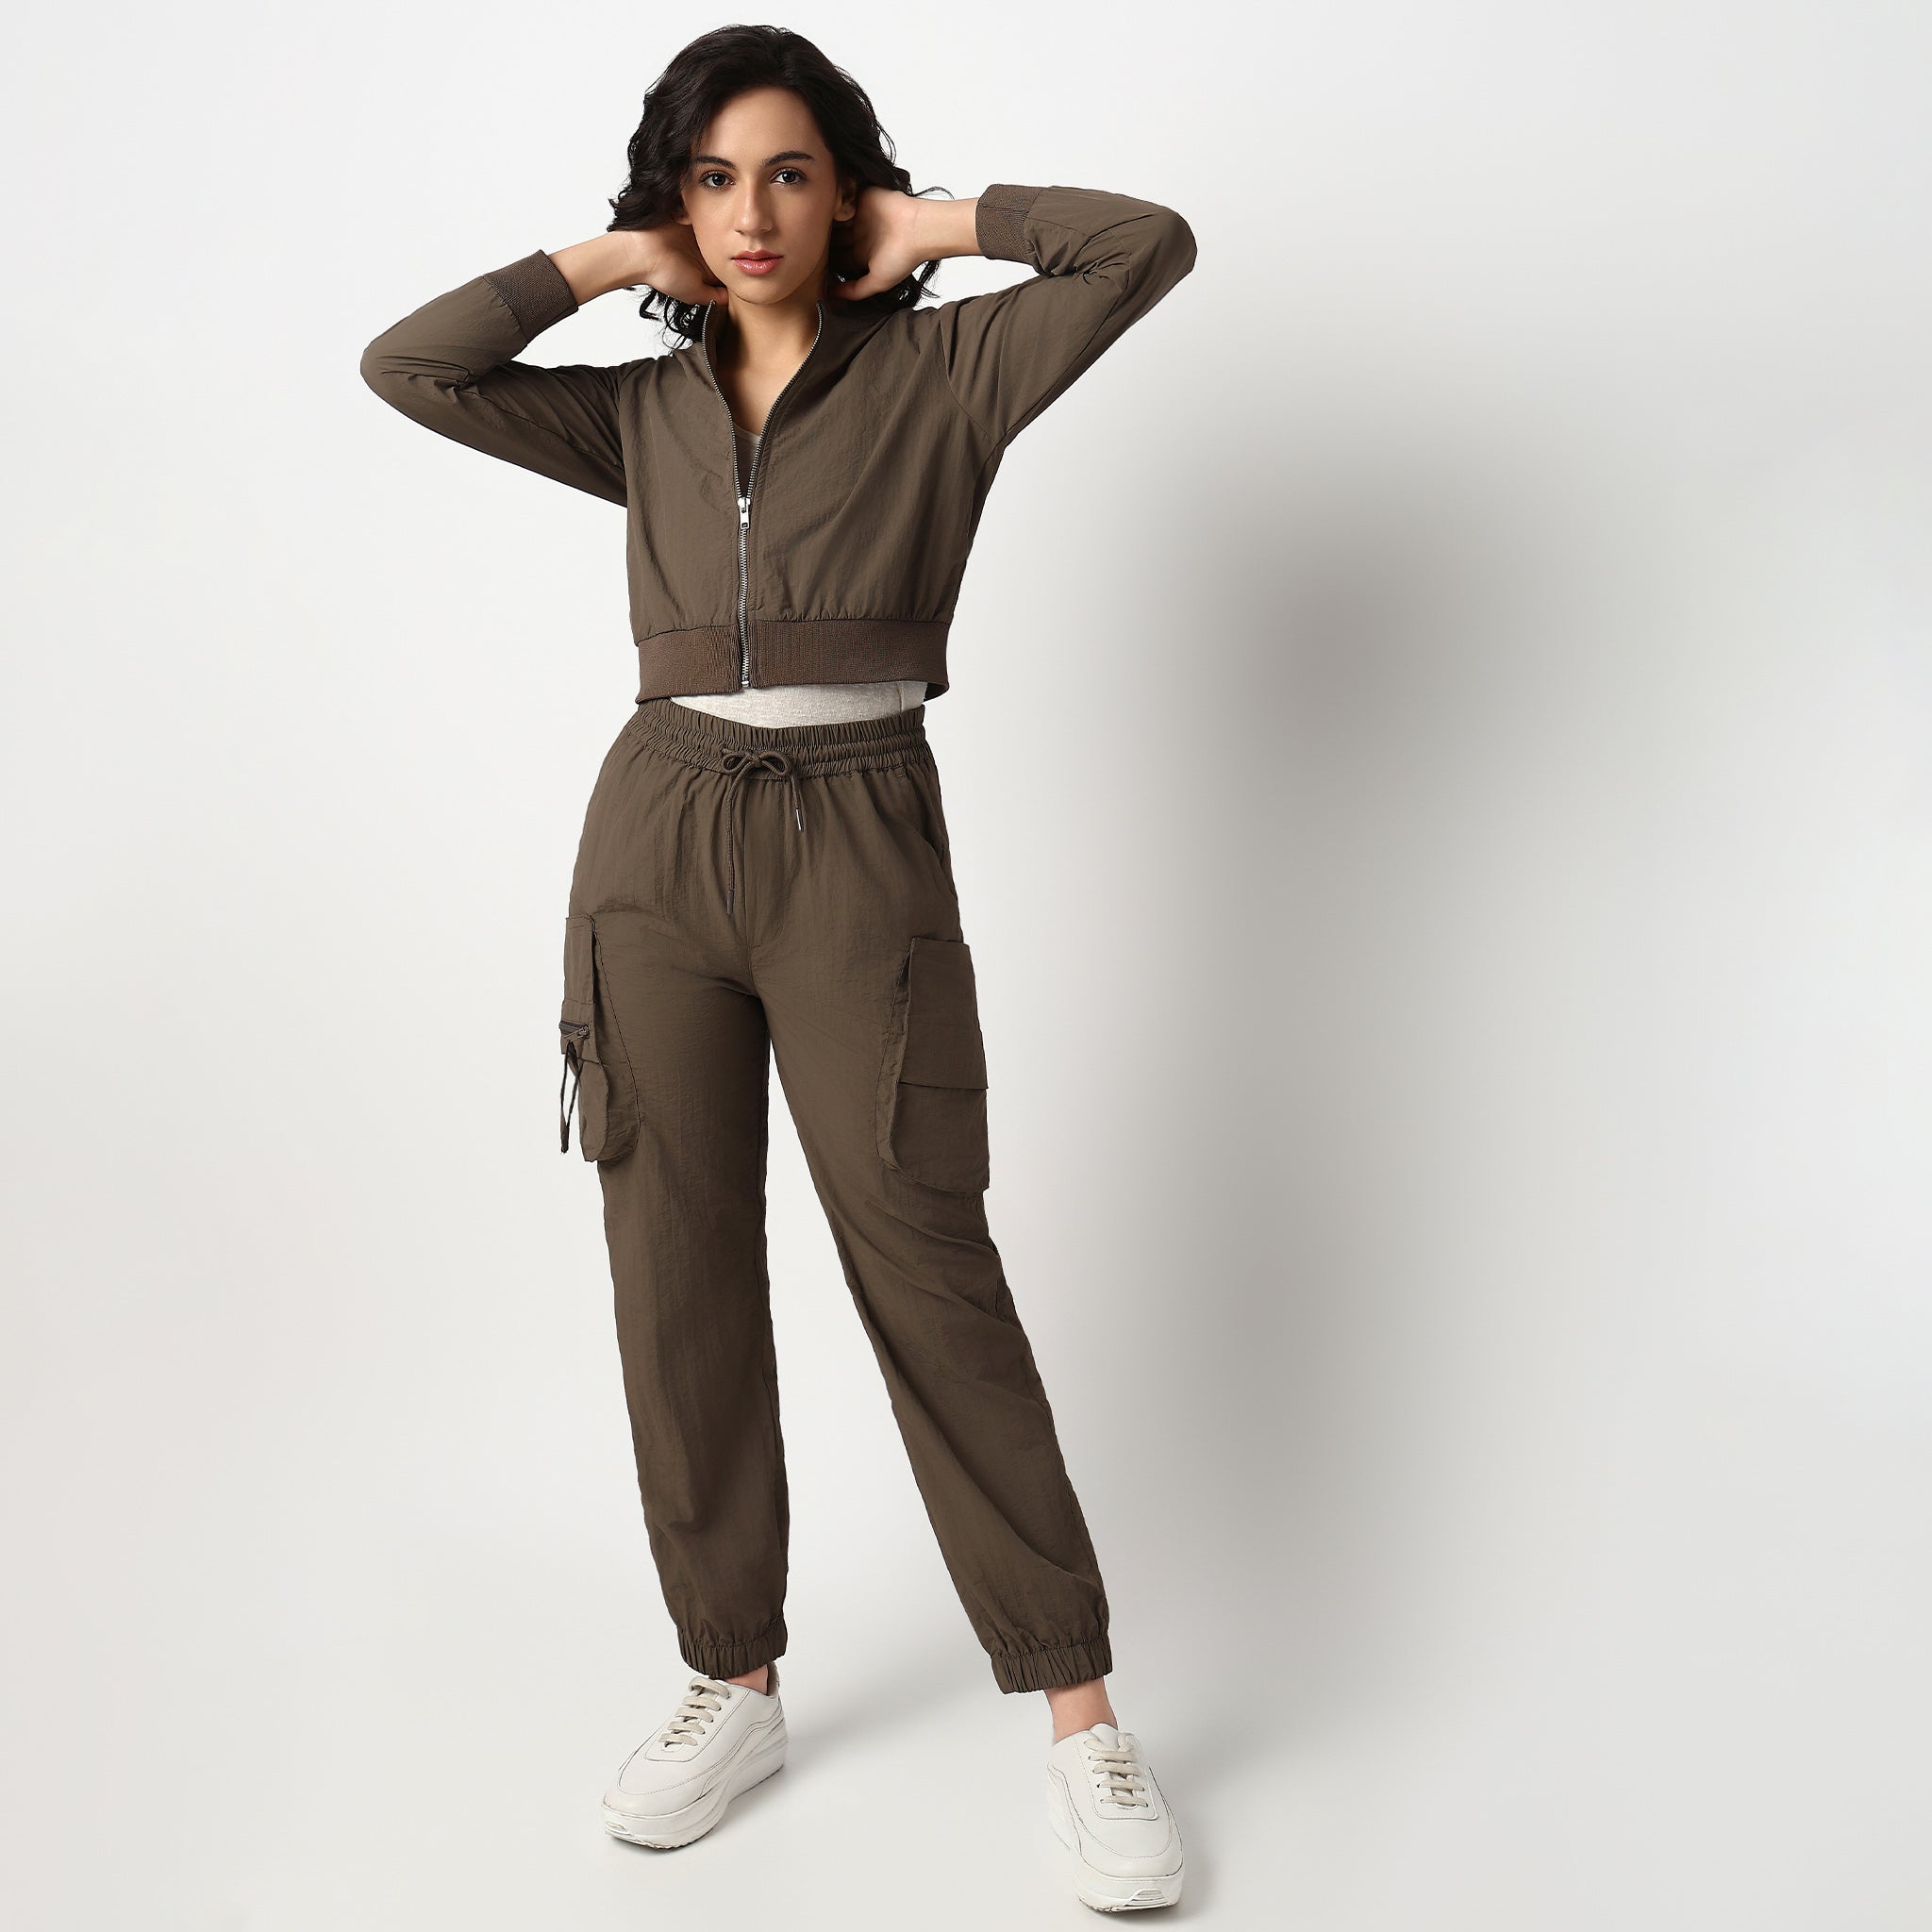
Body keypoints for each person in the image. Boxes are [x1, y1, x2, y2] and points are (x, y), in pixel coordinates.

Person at [358, 24, 1195, 1912]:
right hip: (656, 839)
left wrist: (943, 225)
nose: (752, 215)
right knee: (674, 1268)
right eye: (715, 179)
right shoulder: (637, 414)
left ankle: (1078, 1714)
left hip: (858, 836)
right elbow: (411, 365)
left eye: (791, 174)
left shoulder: (952, 372)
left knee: (924, 1254)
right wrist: (606, 262)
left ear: (846, 192)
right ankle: (728, 1674)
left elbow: (1142, 244)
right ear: (680, 199)